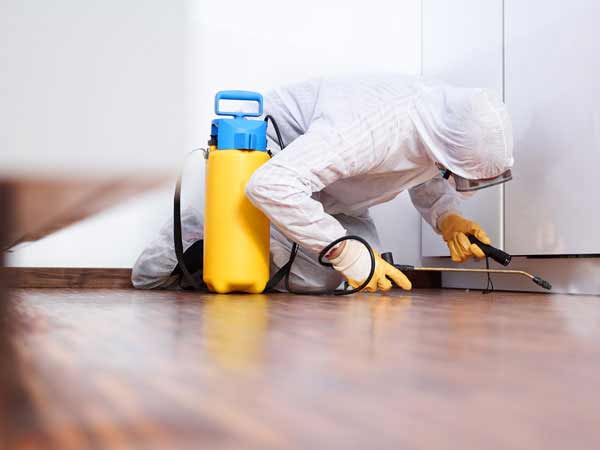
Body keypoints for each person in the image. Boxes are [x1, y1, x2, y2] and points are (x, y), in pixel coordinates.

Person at [132, 74, 514, 293]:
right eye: (451, 171)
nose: (447, 176)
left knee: (356, 278)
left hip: (333, 186)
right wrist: (346, 254)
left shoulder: (437, 123)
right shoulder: (370, 128)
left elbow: (425, 166)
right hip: (274, 161)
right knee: (330, 272)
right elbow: (272, 185)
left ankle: (255, 248)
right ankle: (204, 237)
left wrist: (446, 216)